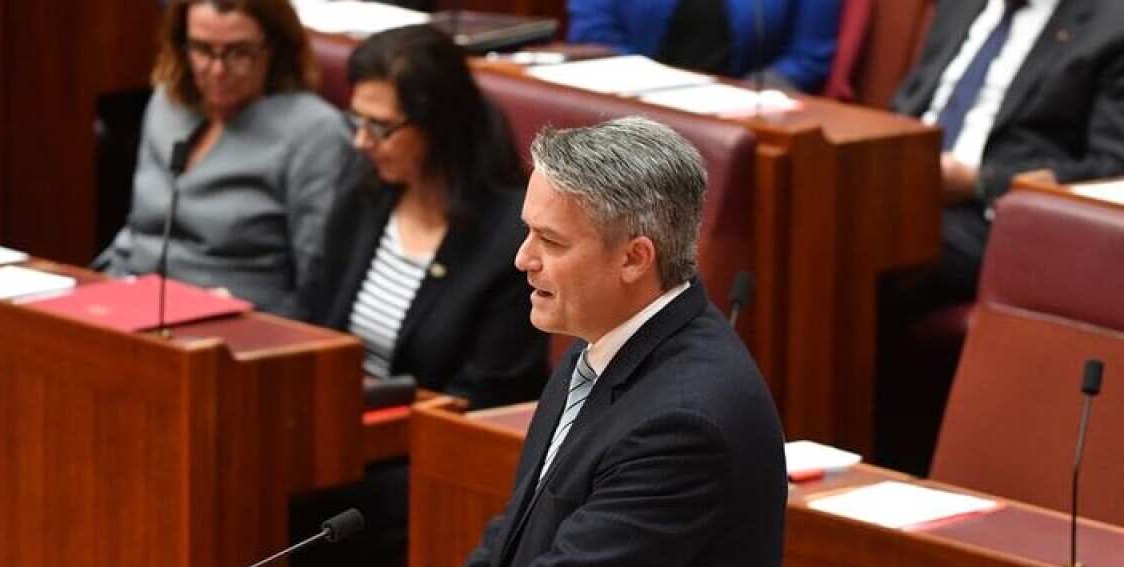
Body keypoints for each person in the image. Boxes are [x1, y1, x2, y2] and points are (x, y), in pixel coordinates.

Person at [297, 117, 787, 567]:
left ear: (635, 258)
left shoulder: (686, 422)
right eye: (528, 232)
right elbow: (506, 555)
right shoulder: (598, 347)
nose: (522, 258)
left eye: (551, 242)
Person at [308, 25, 548, 410]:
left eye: (381, 127)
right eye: (357, 121)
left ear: (438, 124)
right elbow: (316, 313)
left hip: (426, 443)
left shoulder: (509, 238)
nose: (362, 141)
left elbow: (487, 393)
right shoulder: (363, 188)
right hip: (337, 418)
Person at [94, 0, 351, 318]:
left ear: (274, 47)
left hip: (236, 326)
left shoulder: (315, 132)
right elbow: (137, 229)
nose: (217, 69)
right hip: (128, 303)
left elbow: (318, 287)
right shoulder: (167, 103)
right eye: (201, 49)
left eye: (238, 52)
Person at [890, 0, 1124, 307]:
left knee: (854, 236)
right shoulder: (960, 6)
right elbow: (910, 102)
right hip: (898, 181)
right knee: (816, 206)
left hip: (991, 217)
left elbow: (1109, 169)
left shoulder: (1111, 25)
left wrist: (979, 183)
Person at [566, 0, 842, 92]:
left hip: (741, 116)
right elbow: (593, 32)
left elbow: (808, 58)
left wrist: (740, 99)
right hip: (627, 103)